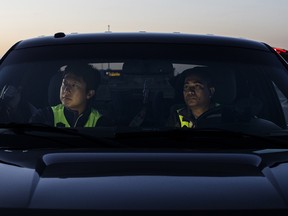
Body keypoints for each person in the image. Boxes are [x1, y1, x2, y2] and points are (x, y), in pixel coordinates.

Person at [30, 64, 114, 127]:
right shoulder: (45, 116)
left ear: (89, 94)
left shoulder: (100, 123)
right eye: (64, 83)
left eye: (74, 85)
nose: (66, 90)